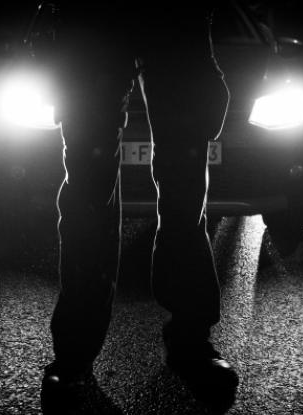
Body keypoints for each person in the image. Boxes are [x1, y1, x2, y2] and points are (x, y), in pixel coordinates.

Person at [41, 0, 238, 408]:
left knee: (182, 189)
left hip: (168, 18)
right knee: (89, 190)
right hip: (98, 21)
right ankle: (77, 353)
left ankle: (188, 338)